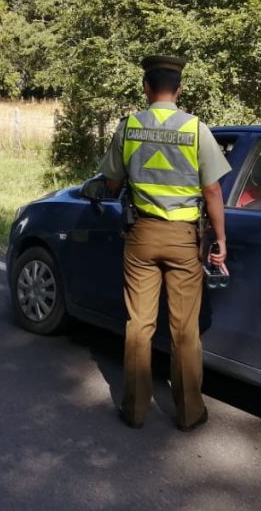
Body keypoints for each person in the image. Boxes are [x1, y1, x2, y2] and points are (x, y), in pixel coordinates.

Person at [99, 55, 230, 431]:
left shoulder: (129, 127)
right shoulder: (196, 129)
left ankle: (134, 409)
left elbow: (110, 181)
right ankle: (190, 413)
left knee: (139, 325)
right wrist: (219, 240)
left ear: (145, 87)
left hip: (141, 237)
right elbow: (213, 190)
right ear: (180, 88)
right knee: (184, 331)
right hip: (184, 239)